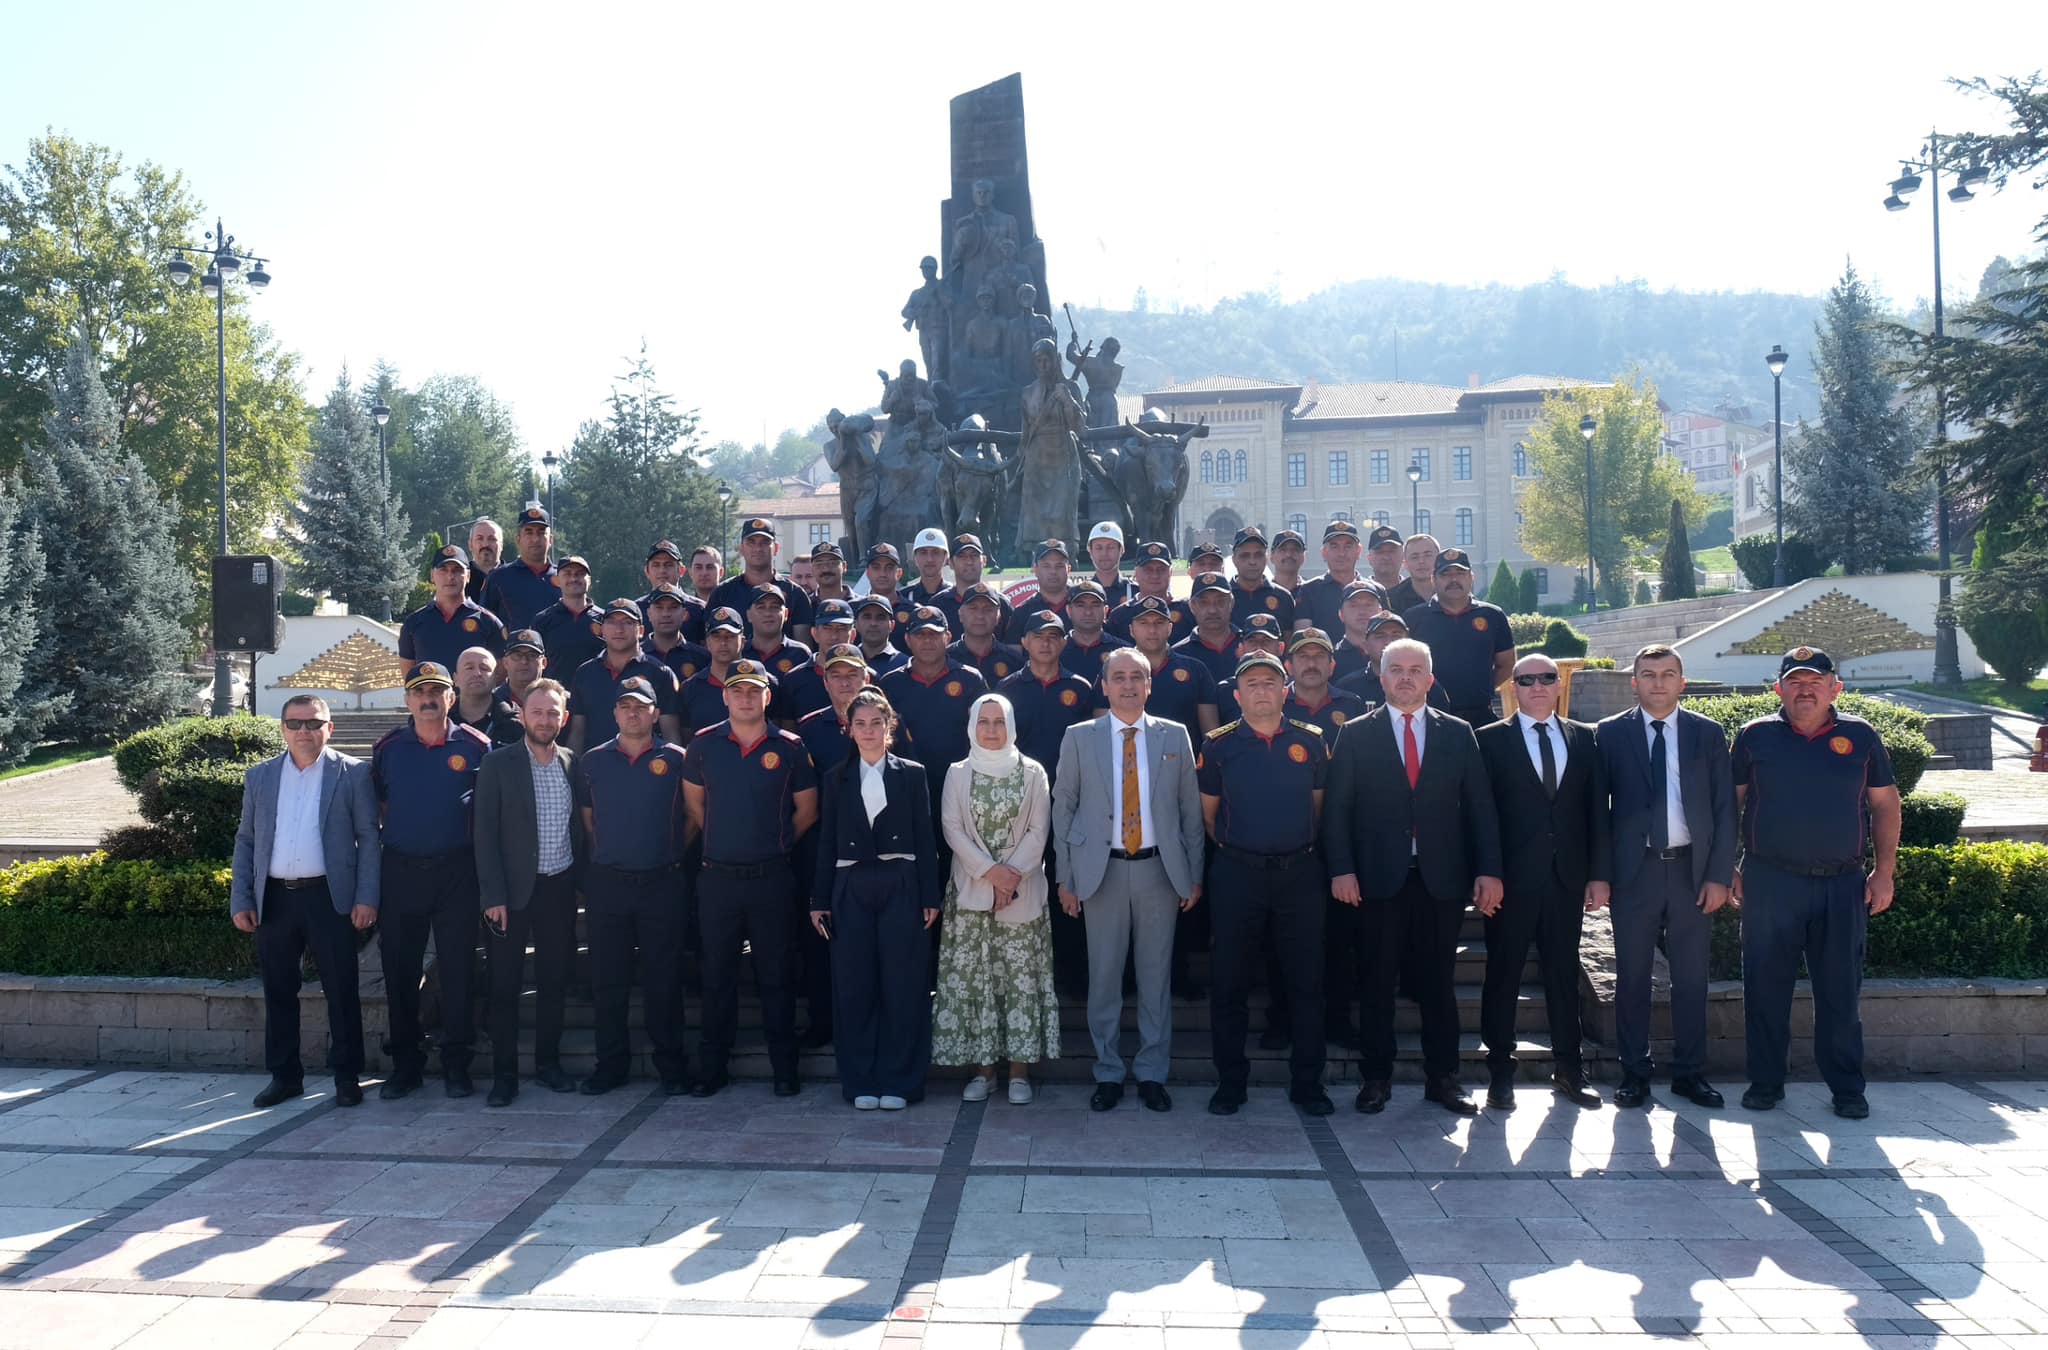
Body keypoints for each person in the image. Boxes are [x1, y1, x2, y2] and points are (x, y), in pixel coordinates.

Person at [1323, 638, 1503, 1116]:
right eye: (1395, 669)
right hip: (1378, 879)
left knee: (1438, 985)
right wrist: (1341, 869)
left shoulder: (1459, 733)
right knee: (1377, 982)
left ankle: (1443, 1078)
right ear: (1381, 678)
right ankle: (1376, 1078)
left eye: (1415, 669)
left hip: (1441, 878)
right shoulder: (1357, 733)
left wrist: (1489, 870)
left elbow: (1481, 809)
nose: (1405, 677)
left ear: (1430, 677)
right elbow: (1338, 809)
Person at [1732, 647, 1901, 1120]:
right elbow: (1731, 804)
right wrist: (1727, 865)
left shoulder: (1861, 737)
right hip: (1770, 883)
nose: (1805, 690)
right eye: (1795, 681)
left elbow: (1886, 806)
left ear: (1835, 689)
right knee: (1765, 989)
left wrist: (1884, 871)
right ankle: (1766, 1083)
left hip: (1841, 885)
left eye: (1815, 681)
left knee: (1840, 992)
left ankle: (1847, 1088)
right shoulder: (1753, 737)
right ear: (1778, 689)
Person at [1052, 647, 1207, 1113]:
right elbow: (1064, 807)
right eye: (1117, 677)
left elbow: (1189, 813)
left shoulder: (1175, 736)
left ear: (1149, 684)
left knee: (1155, 978)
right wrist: (1065, 877)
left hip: (1160, 871)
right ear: (1103, 685)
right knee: (1104, 978)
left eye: (1136, 677)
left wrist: (1194, 875)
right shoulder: (1080, 736)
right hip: (1101, 872)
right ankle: (1108, 1072)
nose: (1127, 685)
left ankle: (1152, 1072)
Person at [1593, 643, 1735, 1111]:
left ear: (1682, 682)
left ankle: (1690, 1073)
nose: (1658, 682)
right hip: (1635, 874)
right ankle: (1635, 1072)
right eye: (1648, 674)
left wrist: (1718, 874)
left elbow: (1724, 809)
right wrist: (1601, 875)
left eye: (1667, 674)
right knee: (1631, 977)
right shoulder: (1609, 735)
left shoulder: (1707, 734)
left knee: (1691, 978)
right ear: (1633, 682)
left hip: (1693, 872)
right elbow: (1595, 813)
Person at [1474, 654, 1611, 1111]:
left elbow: (1597, 814)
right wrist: (1487, 872)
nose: (1536, 685)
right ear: (1513, 687)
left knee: (1562, 975)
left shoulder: (1586, 738)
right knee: (1503, 975)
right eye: (1526, 679)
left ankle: (1569, 1070)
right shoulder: (1489, 741)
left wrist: (1598, 875)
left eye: (1546, 678)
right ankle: (1500, 1072)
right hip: (1510, 882)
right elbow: (1482, 816)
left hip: (1566, 878)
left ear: (1558, 685)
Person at [1198, 652, 1332, 1117]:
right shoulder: (1219, 745)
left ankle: (1308, 1084)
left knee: (1306, 983)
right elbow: (1208, 816)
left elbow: (1318, 810)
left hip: (1300, 875)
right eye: (1251, 683)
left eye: (1270, 682)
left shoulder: (1312, 742)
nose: (1261, 690)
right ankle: (1231, 1083)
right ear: (1237, 696)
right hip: (1238, 874)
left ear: (1285, 691)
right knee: (1230, 982)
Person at [231, 695, 380, 1109]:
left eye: (314, 723)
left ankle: (347, 1077)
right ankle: (285, 1076)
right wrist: (241, 897)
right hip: (275, 899)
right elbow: (246, 840)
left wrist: (367, 897)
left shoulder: (353, 773)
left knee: (342, 990)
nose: (304, 732)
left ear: (329, 728)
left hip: (330, 898)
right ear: (282, 728)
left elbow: (369, 839)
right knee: (279, 990)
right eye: (295, 723)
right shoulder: (260, 777)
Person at [683, 659, 818, 1097]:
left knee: (775, 975)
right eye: (737, 689)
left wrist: (773, 845)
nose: (745, 697)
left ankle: (784, 1068)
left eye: (753, 690)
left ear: (767, 696)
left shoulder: (792, 747)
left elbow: (807, 812)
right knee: (716, 975)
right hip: (718, 879)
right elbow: (696, 810)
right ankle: (713, 1067)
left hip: (771, 878)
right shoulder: (703, 746)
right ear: (724, 695)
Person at [810, 688, 940, 1109]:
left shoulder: (913, 774)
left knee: (903, 984)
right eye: (860, 724)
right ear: (849, 730)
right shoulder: (835, 777)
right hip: (851, 885)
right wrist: (819, 899)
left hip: (900, 880)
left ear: (890, 728)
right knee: (855, 985)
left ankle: (901, 1081)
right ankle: (861, 1080)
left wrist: (929, 893)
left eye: (876, 723)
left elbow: (925, 837)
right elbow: (826, 840)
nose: (868, 731)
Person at [370, 662, 492, 1099]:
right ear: (407, 700)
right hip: (402, 872)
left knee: (458, 971)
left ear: (451, 698)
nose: (428, 699)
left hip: (458, 872)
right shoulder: (388, 749)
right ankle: (405, 1065)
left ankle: (457, 1063)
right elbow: (381, 808)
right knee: (400, 972)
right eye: (419, 692)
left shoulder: (478, 746)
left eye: (437, 691)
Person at [935, 693, 1059, 1104]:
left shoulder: (1033, 772)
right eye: (984, 721)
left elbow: (1039, 831)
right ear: (972, 726)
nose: (991, 730)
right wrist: (990, 875)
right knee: (977, 983)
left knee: (1019, 983)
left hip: (1021, 896)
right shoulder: (958, 772)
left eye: (999, 721)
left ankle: (1020, 1072)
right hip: (972, 892)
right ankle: (982, 1071)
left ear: (1011, 725)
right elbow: (952, 829)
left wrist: (1010, 879)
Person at [572, 677, 693, 1095]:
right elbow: (588, 822)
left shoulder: (678, 759)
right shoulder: (592, 761)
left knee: (665, 978)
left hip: (663, 881)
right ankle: (611, 1065)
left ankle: (671, 1065)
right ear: (615, 714)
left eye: (641, 707)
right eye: (625, 707)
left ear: (656, 713)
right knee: (608, 981)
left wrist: (671, 849)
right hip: (610, 885)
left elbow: (695, 818)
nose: (633, 713)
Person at [473, 678, 583, 1106]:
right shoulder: (498, 764)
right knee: (505, 987)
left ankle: (548, 1064)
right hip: (511, 895)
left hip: (558, 888)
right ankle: (505, 1075)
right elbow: (484, 835)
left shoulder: (573, 763)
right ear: (521, 714)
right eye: (536, 711)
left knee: (554, 982)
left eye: (552, 712)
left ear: (564, 718)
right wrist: (492, 896)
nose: (544, 719)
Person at [878, 607, 990, 838]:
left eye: (934, 634)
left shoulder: (970, 679)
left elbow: (987, 734)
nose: (927, 641)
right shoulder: (891, 683)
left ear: (948, 638)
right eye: (920, 635)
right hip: (907, 788)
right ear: (908, 639)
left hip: (961, 786)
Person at [1401, 548, 1513, 726]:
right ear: (1434, 579)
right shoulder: (1413, 618)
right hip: (1429, 717)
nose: (1453, 580)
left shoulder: (1492, 615)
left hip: (1480, 715)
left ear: (1471, 577)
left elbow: (1506, 664)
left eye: (1460, 573)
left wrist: (1481, 689)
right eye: (1445, 574)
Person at [567, 599, 683, 753]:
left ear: (641, 631)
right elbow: (577, 732)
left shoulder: (660, 673)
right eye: (612, 622)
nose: (619, 629)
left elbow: (671, 733)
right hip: (595, 770)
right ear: (601, 629)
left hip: (647, 770)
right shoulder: (585, 673)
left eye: (628, 622)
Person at [1108, 594, 1218, 736]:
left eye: (1159, 622)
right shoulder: (1113, 670)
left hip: (1183, 755)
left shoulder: (1195, 670)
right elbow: (1102, 729)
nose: (1152, 630)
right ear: (1131, 630)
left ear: (1170, 628)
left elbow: (1210, 733)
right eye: (1144, 623)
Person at [399, 544, 509, 678]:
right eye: (443, 570)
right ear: (432, 575)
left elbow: (500, 674)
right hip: (432, 698)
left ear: (468, 576)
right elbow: (409, 677)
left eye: (457, 570)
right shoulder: (413, 623)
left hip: (475, 699)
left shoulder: (488, 622)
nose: (450, 576)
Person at [708, 517, 815, 644]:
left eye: (765, 542)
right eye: (751, 542)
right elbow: (710, 642)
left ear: (776, 548)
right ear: (741, 548)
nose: (758, 548)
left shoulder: (795, 594)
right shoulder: (723, 593)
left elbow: (803, 646)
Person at [482, 505, 560, 630]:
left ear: (550, 539)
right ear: (518, 539)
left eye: (541, 533)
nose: (535, 539)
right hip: (512, 649)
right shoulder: (499, 578)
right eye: (529, 532)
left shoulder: (565, 578)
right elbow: (485, 624)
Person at [1282, 629, 1366, 740]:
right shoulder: (1278, 705)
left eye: (1319, 656)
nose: (1311, 664)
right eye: (1303, 656)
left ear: (1332, 666)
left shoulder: (1352, 704)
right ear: (1289, 667)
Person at [531, 554, 602, 681]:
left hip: (595, 695)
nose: (574, 578)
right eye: (567, 574)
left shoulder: (606, 620)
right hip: (555, 697)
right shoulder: (542, 621)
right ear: (558, 581)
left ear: (589, 580)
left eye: (580, 574)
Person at [929, 534, 1014, 639]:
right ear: (950, 563)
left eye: (974, 555)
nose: (969, 562)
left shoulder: (1002, 603)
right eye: (962, 556)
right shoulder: (938, 604)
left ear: (984, 561)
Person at [782, 599, 854, 719]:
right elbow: (788, 728)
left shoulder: (867, 677)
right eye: (827, 628)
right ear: (815, 633)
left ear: (852, 635)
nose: (834, 636)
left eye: (841, 628)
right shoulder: (794, 679)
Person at [1294, 520, 1366, 635]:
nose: (1341, 553)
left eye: (1348, 546)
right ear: (1324, 552)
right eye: (1334, 546)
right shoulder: (1309, 591)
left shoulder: (1374, 590)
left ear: (1358, 551)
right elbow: (1303, 639)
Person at [1210, 613, 1285, 722]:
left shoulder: (1294, 690)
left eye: (1267, 641)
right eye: (1252, 641)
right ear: (1241, 649)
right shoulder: (1224, 691)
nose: (1259, 648)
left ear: (1281, 648)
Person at [948, 582, 1025, 684]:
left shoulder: (1014, 661)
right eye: (973, 608)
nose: (980, 615)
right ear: (960, 614)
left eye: (988, 609)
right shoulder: (945, 658)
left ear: (998, 617)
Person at [1174, 573, 1242, 683]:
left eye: (1220, 602)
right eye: (1204, 603)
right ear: (1192, 607)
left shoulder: (1249, 645)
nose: (1212, 610)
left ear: (1231, 603)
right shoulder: (1178, 655)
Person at [1060, 577, 1130, 683]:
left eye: (1095, 605)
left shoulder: (1124, 651)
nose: (1088, 612)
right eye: (1080, 605)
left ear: (1106, 611)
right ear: (1069, 611)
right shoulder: (1056, 651)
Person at [1105, 540, 1176, 641]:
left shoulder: (1187, 611)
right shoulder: (1119, 616)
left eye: (1161, 569)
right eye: (1148, 569)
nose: (1155, 575)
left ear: (1170, 573)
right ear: (1136, 573)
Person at [642, 584, 713, 686]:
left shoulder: (702, 658)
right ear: (649, 614)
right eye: (659, 608)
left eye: (673, 607)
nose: (666, 614)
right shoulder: (636, 656)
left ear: (684, 614)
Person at [450, 645, 521, 747]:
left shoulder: (514, 723)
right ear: (455, 679)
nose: (477, 673)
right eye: (469, 668)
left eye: (484, 668)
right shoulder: (441, 719)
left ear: (496, 678)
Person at [1336, 612, 1408, 708]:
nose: (1389, 642)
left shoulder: (1424, 683)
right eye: (1380, 636)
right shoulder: (1347, 687)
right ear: (1365, 645)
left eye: (1396, 635)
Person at [1229, 527, 1296, 630]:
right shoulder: (1224, 597)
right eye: (1245, 556)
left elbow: (1289, 641)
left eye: (1258, 555)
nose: (1252, 561)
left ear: (1267, 558)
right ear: (1234, 560)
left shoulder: (1283, 597)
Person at [641, 542, 707, 642]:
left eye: (668, 565)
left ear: (681, 570)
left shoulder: (700, 609)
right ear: (647, 571)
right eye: (656, 565)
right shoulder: (637, 610)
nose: (662, 570)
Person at [1329, 580, 1389, 685]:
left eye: (1369, 604)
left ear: (1380, 612)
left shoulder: (1393, 655)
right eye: (1354, 605)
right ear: (1341, 614)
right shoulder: (1330, 658)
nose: (1362, 611)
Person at [1010, 540, 1075, 631]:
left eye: (1059, 566)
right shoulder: (1022, 612)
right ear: (1035, 570)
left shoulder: (1082, 604)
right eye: (1046, 566)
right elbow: (1014, 645)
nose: (1053, 571)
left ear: (1068, 569)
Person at [1387, 533, 1441, 616]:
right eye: (1414, 557)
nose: (1421, 561)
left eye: (1428, 555)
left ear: (1439, 559)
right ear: (1405, 564)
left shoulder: (1452, 591)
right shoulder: (1392, 600)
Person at [492, 629, 546, 711]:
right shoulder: (489, 700)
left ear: (544, 663)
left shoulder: (561, 700)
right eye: (517, 655)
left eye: (531, 655)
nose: (524, 661)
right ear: (505, 662)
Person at [854, 594, 907, 675]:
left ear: (892, 625)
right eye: (867, 617)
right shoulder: (846, 660)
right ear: (856, 624)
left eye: (880, 617)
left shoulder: (905, 665)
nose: (873, 623)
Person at [1084, 521, 1133, 606]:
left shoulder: (1135, 592)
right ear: (1090, 552)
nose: (1104, 553)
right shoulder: (1081, 592)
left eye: (1110, 547)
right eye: (1099, 548)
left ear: (1121, 550)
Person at [905, 527, 953, 608]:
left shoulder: (956, 596)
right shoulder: (904, 597)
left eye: (936, 552)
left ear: (946, 558)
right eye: (923, 553)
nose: (929, 559)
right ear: (915, 558)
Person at [464, 518, 504, 606]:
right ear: (470, 545)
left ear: (501, 545)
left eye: (492, 539)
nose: (485, 544)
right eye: (479, 539)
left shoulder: (513, 577)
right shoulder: (461, 579)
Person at [809, 541, 854, 606]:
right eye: (819, 564)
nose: (826, 569)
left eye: (832, 563)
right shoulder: (805, 605)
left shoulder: (860, 604)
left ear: (844, 566)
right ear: (812, 570)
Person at [1363, 524, 1404, 593]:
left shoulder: (1415, 592)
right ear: (1369, 558)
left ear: (1403, 556)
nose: (1386, 557)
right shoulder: (1361, 594)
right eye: (1379, 552)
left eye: (1392, 551)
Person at [1269, 528, 1307, 594]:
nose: (1289, 554)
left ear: (1304, 557)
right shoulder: (1261, 595)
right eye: (1283, 550)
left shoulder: (1311, 594)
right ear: (1271, 556)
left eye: (1295, 550)